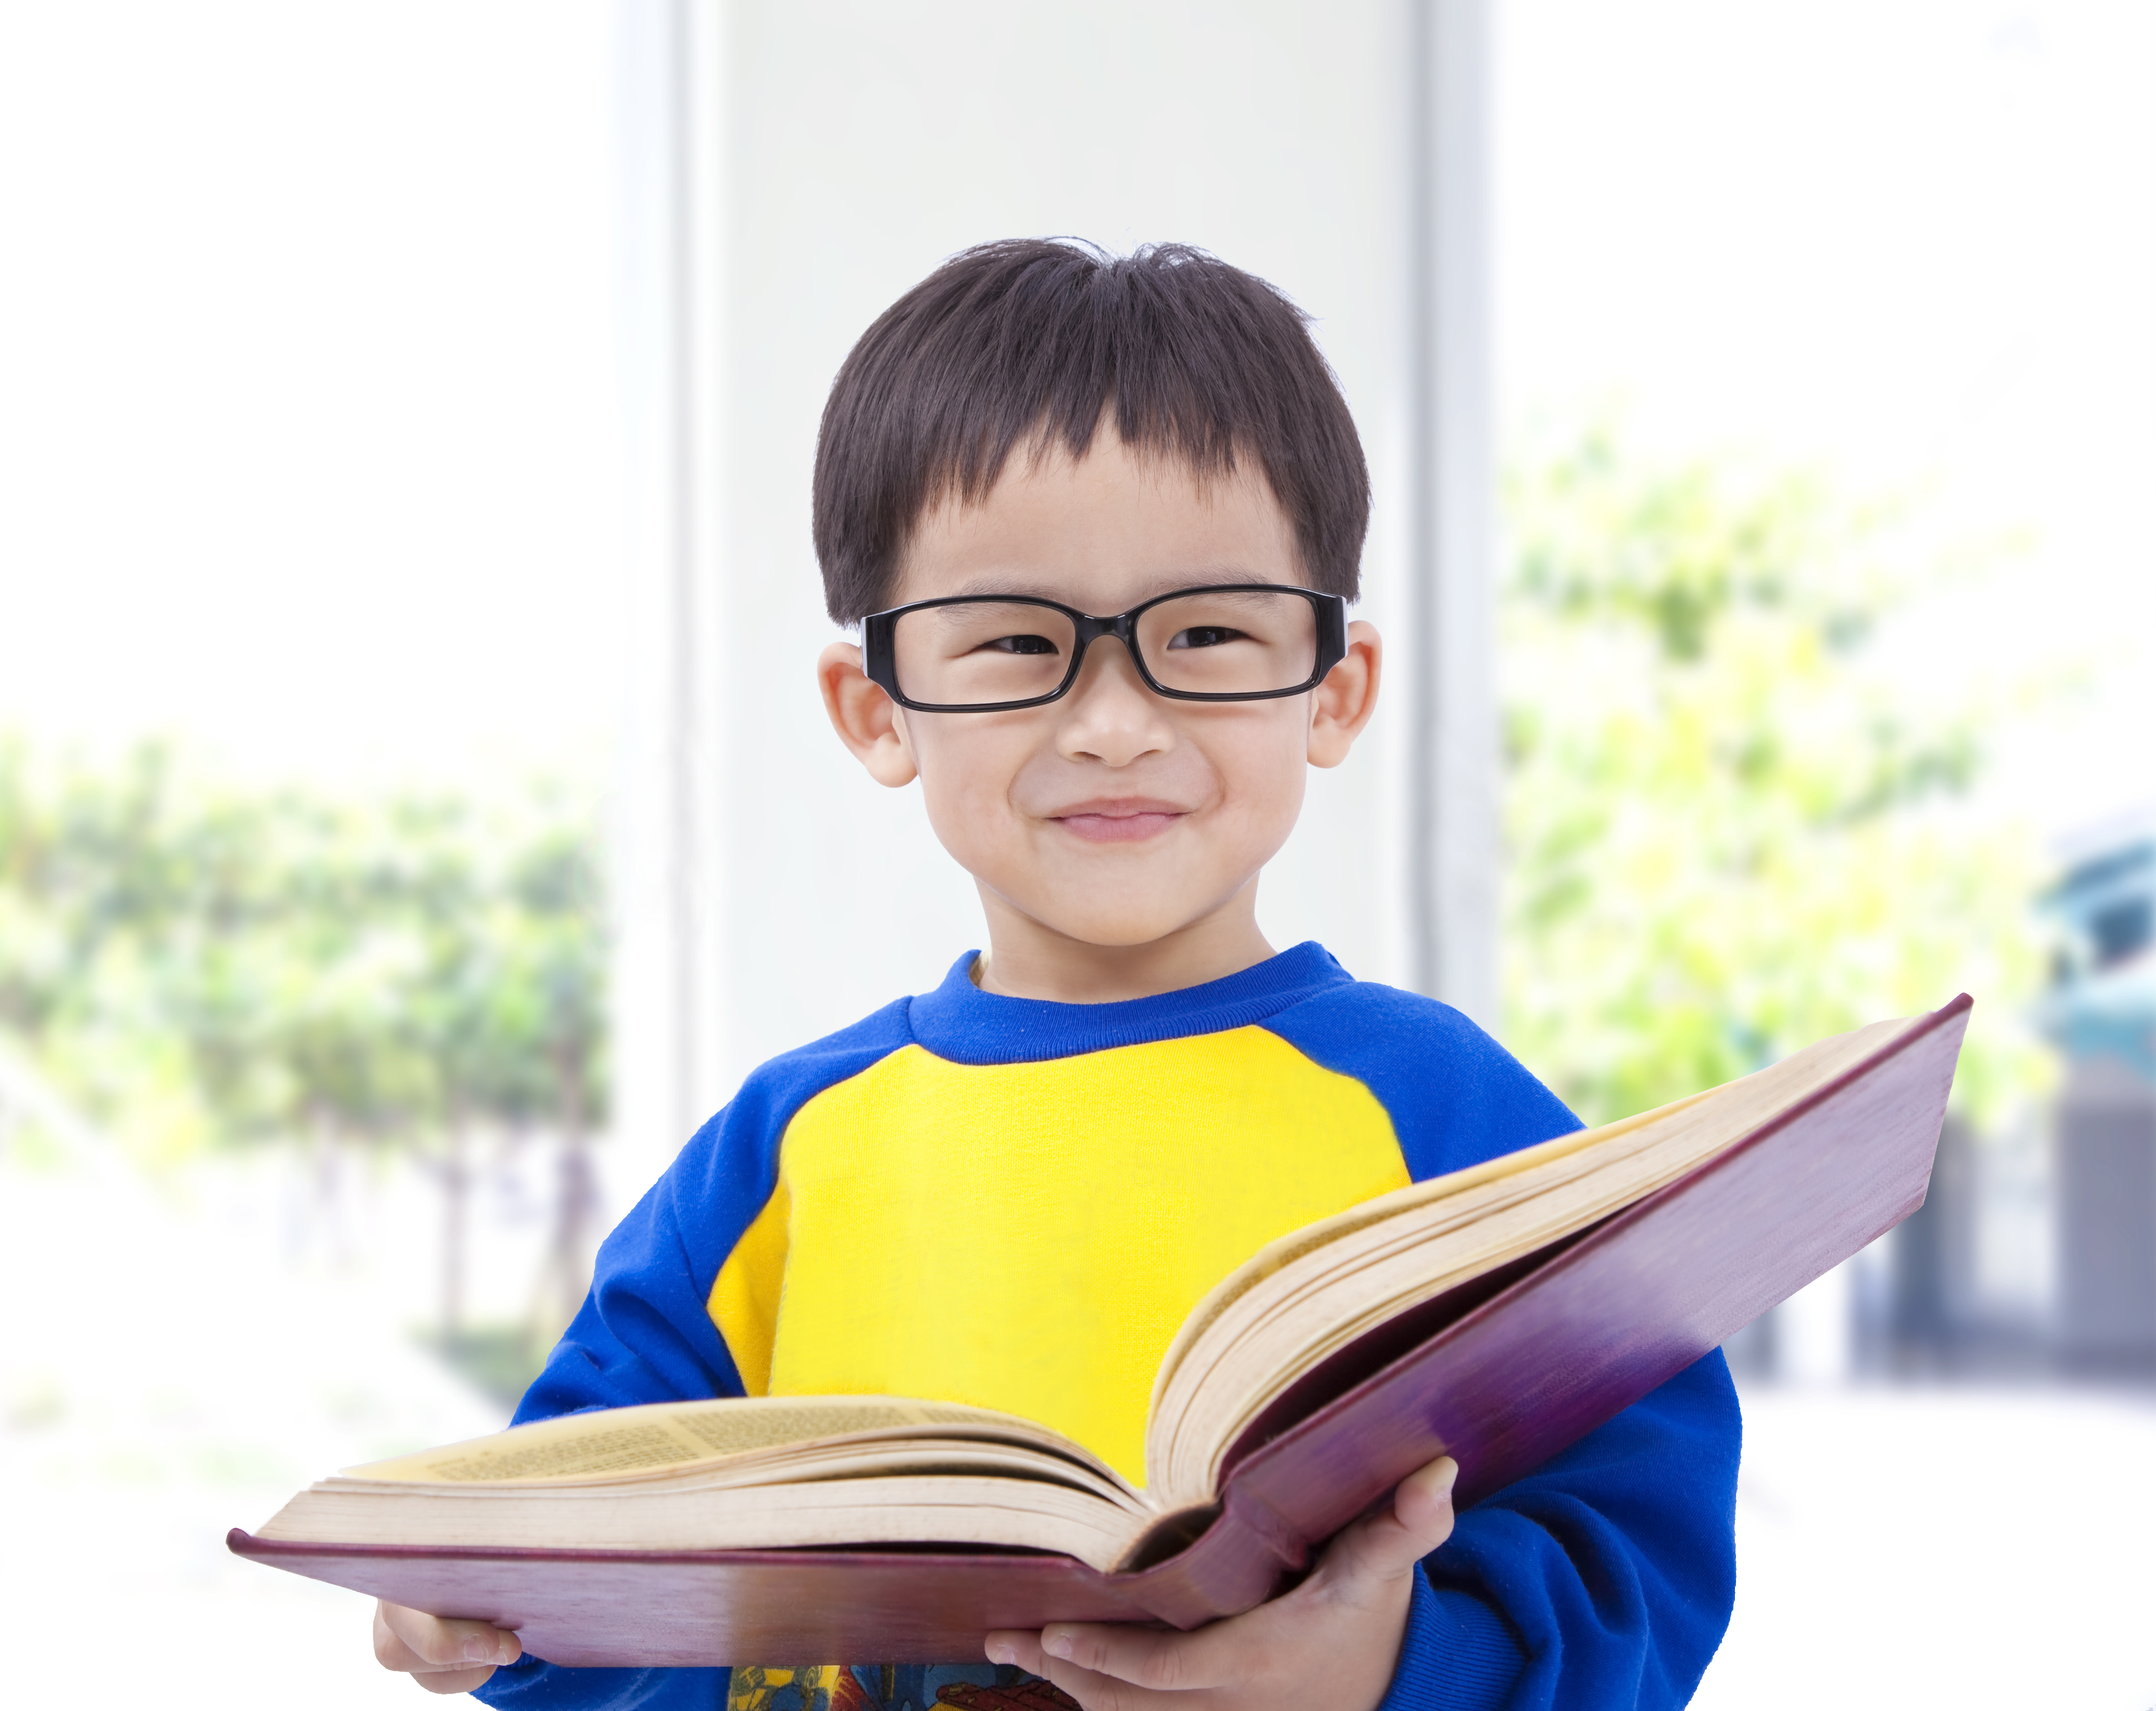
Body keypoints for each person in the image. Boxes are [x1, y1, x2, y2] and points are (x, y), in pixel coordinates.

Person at [371, 240, 1740, 1711]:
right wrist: (481, 1599)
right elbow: (582, 1533)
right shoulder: (783, 1151)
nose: (1111, 723)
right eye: (1017, 643)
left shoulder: (1442, 1110)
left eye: (1204, 635)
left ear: (1332, 690)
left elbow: (1637, 1542)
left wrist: (1390, 1672)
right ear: (877, 709)